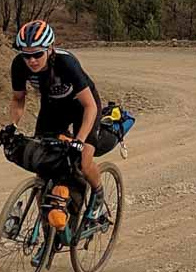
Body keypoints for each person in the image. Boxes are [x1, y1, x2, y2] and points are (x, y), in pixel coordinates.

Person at [7, 19, 117, 216]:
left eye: (37, 54)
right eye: (26, 55)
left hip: (82, 106)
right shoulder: (19, 66)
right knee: (43, 162)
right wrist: (12, 126)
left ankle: (98, 195)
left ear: (50, 49)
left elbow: (90, 106)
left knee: (83, 161)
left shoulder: (66, 63)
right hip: (53, 107)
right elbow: (18, 99)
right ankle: (49, 226)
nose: (32, 60)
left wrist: (79, 141)